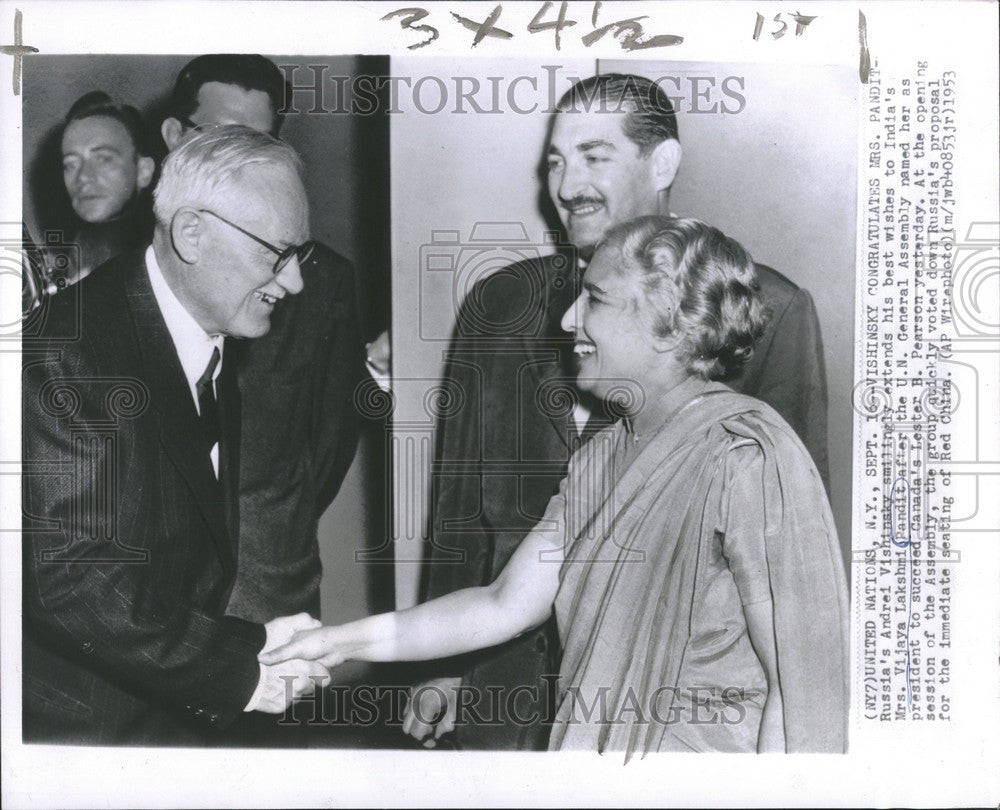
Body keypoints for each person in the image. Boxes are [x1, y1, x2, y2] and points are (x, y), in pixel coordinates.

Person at [261, 216, 849, 757]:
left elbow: (802, 692)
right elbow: (500, 605)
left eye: (594, 298)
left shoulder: (747, 455)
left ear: (669, 324)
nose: (568, 318)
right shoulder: (600, 458)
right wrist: (338, 643)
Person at [414, 73, 831, 750]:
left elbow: (789, 569)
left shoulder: (771, 312)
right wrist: (442, 670)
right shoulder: (498, 304)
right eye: (555, 161)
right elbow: (457, 504)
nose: (567, 184)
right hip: (501, 694)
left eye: (593, 157)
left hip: (665, 718)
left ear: (661, 163)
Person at [22, 127, 329, 745]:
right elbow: (71, 579)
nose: (293, 282)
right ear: (191, 233)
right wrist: (235, 668)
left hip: (161, 714)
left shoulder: (210, 331)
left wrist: (255, 643)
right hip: (85, 736)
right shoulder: (69, 355)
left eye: (302, 255)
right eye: (278, 254)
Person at [161, 54, 367, 624]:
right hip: (144, 602)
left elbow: (327, 444)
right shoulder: (124, 271)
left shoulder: (318, 283)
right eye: (222, 138)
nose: (241, 161)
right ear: (174, 136)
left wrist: (271, 529)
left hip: (265, 595)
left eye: (259, 140)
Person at [56, 91, 156, 288]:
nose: (83, 176)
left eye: (103, 159)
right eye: (71, 164)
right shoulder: (86, 242)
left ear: (143, 170)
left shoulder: (161, 248)